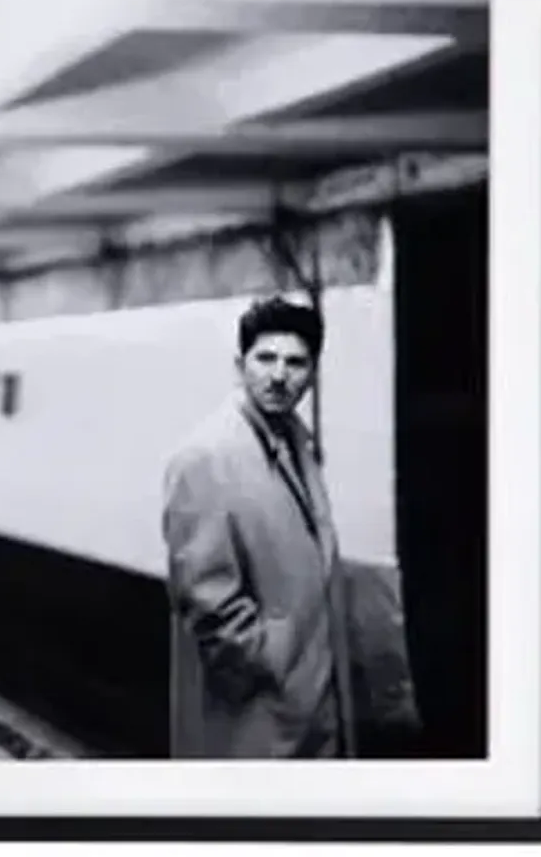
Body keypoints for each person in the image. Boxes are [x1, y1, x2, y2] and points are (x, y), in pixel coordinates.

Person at [161, 295, 358, 759]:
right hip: (261, 716)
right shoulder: (206, 457)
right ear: (239, 364)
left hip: (310, 702)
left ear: (313, 374)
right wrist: (270, 666)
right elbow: (206, 599)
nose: (278, 375)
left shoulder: (294, 442)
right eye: (265, 358)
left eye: (296, 362)